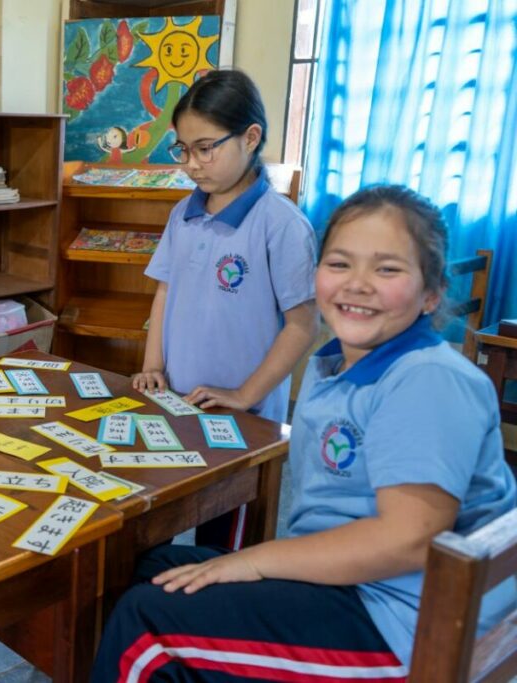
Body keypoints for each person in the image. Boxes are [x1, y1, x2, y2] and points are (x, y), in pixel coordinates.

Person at [93, 184, 517, 682]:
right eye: (339, 264)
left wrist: (254, 562)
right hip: (354, 587)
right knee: (148, 567)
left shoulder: (428, 376)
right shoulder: (336, 365)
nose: (357, 284)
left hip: (407, 623)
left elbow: (407, 540)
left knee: (147, 627)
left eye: (387, 269)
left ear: (431, 294)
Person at [133, 68, 319, 548]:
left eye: (205, 147)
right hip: (176, 402)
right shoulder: (184, 212)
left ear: (251, 137)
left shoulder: (282, 226)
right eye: (183, 150)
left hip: (241, 419)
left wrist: (244, 393)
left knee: (221, 544)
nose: (192, 164)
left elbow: (302, 325)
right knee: (157, 516)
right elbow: (165, 291)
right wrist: (153, 364)